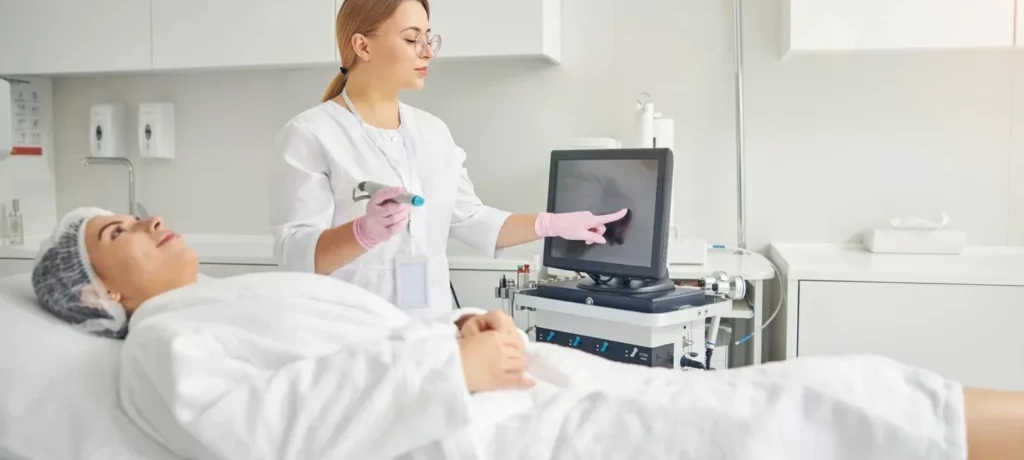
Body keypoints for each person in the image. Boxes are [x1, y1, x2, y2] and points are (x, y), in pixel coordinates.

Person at [30, 207, 1024, 459]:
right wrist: (448, 369)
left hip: (502, 393)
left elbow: (359, 347)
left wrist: (456, 330)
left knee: (786, 396)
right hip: (478, 433)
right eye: (119, 234)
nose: (148, 221)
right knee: (799, 405)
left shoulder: (232, 298)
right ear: (103, 297)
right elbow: (269, 432)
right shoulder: (161, 348)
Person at [267, 0, 627, 319]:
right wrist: (363, 232)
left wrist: (553, 224)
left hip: (429, 331)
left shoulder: (432, 132)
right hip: (350, 333)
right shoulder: (311, 134)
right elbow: (294, 255)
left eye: (429, 38)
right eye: (412, 39)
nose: (427, 52)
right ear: (363, 46)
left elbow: (473, 219)